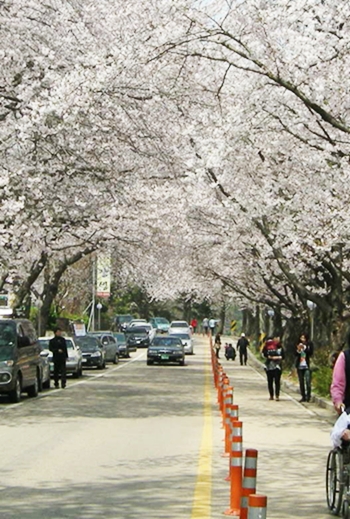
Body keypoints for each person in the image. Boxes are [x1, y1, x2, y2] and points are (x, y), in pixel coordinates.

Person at [262, 336, 284, 401]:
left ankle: (277, 395)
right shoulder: (266, 347)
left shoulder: (280, 347)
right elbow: (264, 354)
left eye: (278, 338)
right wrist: (269, 357)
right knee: (270, 381)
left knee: (277, 381)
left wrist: (277, 358)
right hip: (269, 367)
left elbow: (283, 356)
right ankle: (271, 395)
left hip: (277, 366)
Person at [295, 332, 314, 402]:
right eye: (301, 338)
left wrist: (305, 349)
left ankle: (308, 396)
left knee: (308, 381)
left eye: (304, 338)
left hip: (307, 365)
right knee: (301, 382)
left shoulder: (309, 344)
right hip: (300, 365)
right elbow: (295, 354)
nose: (302, 339)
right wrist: (298, 350)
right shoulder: (298, 344)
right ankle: (303, 396)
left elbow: (311, 353)